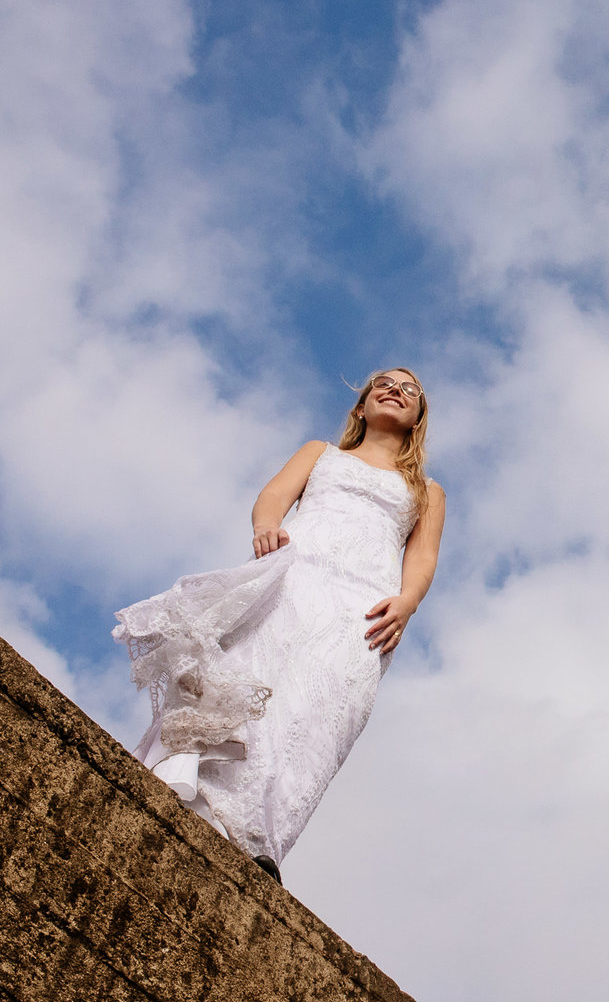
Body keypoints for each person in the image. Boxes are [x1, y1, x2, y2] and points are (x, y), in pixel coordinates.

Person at [113, 369, 447, 880]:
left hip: (361, 612)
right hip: (295, 578)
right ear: (361, 407)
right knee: (253, 678)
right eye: (383, 382)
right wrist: (266, 527)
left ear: (418, 417)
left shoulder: (425, 490)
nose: (395, 389)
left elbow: (422, 558)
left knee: (318, 713)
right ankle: (200, 792)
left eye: (409, 389)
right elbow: (272, 498)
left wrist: (408, 602)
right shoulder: (320, 453)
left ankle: (257, 838)